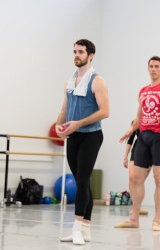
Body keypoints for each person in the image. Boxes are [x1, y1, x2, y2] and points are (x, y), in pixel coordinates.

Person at [115, 56, 160, 231]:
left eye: (156, 66)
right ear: (148, 68)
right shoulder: (142, 91)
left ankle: (156, 220)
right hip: (143, 137)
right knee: (136, 179)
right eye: (151, 66)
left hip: (159, 138)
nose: (153, 69)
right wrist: (130, 130)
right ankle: (134, 218)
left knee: (158, 178)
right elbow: (139, 116)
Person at [56, 39, 110, 245]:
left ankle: (77, 227)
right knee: (83, 181)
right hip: (74, 136)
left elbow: (105, 111)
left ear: (91, 55)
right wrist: (59, 125)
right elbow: (64, 109)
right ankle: (86, 229)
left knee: (82, 178)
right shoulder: (69, 82)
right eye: (75, 51)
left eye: (81, 51)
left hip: (91, 136)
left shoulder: (97, 81)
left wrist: (79, 123)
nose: (76, 55)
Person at [123, 120, 149, 215]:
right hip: (137, 149)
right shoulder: (136, 121)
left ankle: (138, 206)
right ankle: (135, 206)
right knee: (131, 178)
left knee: (139, 181)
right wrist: (125, 156)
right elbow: (130, 139)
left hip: (148, 150)